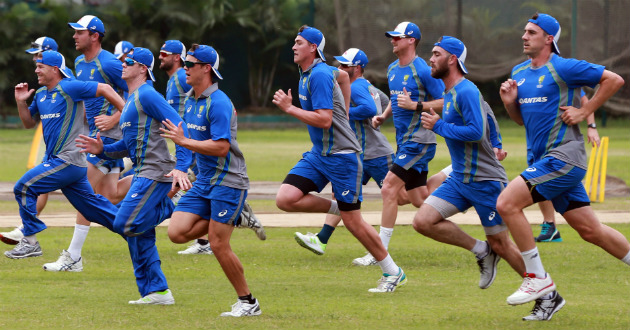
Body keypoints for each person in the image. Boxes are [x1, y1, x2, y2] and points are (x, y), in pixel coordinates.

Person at [497, 13, 629, 321]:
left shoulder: (564, 67)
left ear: (548, 39)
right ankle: (550, 302)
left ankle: (537, 278)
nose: (524, 36)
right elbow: (520, 120)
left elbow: (614, 80)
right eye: (524, 31)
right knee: (589, 230)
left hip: (565, 158)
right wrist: (508, 102)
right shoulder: (519, 72)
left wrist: (585, 111)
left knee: (506, 203)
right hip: (545, 162)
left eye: (531, 32)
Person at [273, 25, 407, 293]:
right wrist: (344, 110)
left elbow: (324, 120)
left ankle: (393, 273)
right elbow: (343, 78)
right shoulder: (311, 72)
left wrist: (291, 109)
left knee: (354, 222)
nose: (293, 46)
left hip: (342, 156)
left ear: (313, 48)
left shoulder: (320, 75)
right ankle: (338, 209)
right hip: (318, 154)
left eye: (298, 42)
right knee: (285, 198)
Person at [77, 47, 192, 305]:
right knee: (138, 231)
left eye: (128, 61)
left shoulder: (148, 95)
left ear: (143, 68)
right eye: (121, 61)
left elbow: (179, 126)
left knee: (124, 224)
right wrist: (102, 149)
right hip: (142, 171)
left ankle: (172, 206)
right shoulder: (130, 99)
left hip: (155, 172)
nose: (122, 64)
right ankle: (157, 292)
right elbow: (128, 147)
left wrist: (182, 167)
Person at [412, 36, 526, 293]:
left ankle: (545, 289)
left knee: (502, 245)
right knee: (422, 221)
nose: (431, 58)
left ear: (452, 59)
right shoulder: (451, 92)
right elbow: (487, 113)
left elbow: (475, 131)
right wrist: (496, 141)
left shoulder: (466, 90)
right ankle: (481, 250)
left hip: (484, 180)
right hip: (460, 179)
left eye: (436, 54)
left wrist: (438, 125)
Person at [161, 44, 261, 316]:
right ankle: (235, 216)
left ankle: (248, 302)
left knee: (217, 244)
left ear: (206, 69)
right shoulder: (191, 100)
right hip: (205, 180)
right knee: (176, 232)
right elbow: (188, 144)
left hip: (229, 180)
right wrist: (182, 169)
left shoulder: (218, 102)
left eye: (190, 65)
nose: (185, 69)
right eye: (184, 64)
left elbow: (221, 147)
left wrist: (185, 141)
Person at [4, 50, 122, 260]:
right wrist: (21, 101)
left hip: (68, 160)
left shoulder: (69, 87)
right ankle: (134, 228)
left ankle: (30, 241)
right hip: (64, 164)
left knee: (24, 187)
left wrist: (124, 111)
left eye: (41, 66)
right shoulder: (40, 94)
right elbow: (28, 123)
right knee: (93, 209)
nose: (36, 70)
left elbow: (104, 88)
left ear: (55, 69)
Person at [39, 15, 130, 272]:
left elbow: (136, 90)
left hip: (107, 139)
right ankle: (163, 181)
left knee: (83, 195)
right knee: (110, 194)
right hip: (92, 137)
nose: (74, 36)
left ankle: (73, 257)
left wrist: (114, 117)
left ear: (94, 36)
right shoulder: (79, 62)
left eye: (79, 32)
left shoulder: (110, 63)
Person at [293, 48, 395, 255]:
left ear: (357, 68)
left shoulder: (356, 86)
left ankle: (445, 199)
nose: (339, 68)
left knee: (407, 196)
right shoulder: (366, 86)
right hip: (357, 153)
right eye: (339, 64)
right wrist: (381, 117)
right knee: (341, 197)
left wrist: (344, 114)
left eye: (344, 66)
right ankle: (321, 239)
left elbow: (368, 108)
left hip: (374, 154)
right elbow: (385, 101)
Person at [361, 21, 445, 266]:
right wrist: (384, 116)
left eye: (398, 37)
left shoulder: (423, 69)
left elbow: (445, 99)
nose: (393, 40)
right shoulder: (391, 69)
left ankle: (380, 253)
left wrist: (417, 106)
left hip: (420, 141)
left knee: (388, 188)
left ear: (411, 41)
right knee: (417, 198)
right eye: (392, 37)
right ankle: (455, 175)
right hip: (404, 141)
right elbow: (397, 100)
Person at [0, 36, 66, 246]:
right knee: (40, 183)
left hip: (69, 145)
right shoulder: (42, 85)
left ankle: (26, 231)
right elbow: (29, 122)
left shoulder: (65, 80)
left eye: (37, 56)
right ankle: (26, 231)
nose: (34, 62)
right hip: (51, 135)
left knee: (101, 193)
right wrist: (22, 103)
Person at [534, 89, 600, 243]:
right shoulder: (528, 78)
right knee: (591, 230)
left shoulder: (563, 78)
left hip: (563, 150)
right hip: (538, 145)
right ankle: (549, 226)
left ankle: (549, 227)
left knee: (510, 201)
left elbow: (586, 102)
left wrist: (592, 125)